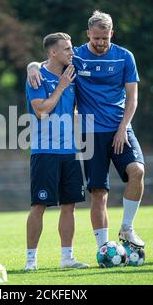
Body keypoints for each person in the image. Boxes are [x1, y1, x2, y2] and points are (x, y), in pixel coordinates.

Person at [27, 11, 145, 251]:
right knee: (99, 192)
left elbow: (132, 98)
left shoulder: (124, 57)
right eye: (96, 38)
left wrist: (123, 127)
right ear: (88, 34)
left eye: (105, 38)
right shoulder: (76, 56)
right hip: (90, 133)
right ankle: (104, 248)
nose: (101, 43)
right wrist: (32, 66)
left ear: (112, 33)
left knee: (137, 171)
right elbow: (50, 60)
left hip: (120, 129)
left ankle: (127, 227)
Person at [24, 32, 88, 271]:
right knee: (38, 206)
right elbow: (42, 110)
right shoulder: (38, 76)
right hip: (45, 152)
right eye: (67, 49)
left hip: (70, 151)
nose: (72, 53)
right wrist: (60, 87)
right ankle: (31, 261)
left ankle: (67, 258)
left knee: (69, 205)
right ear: (52, 52)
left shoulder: (72, 73)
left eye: (71, 48)